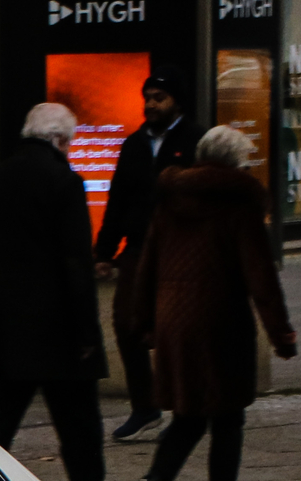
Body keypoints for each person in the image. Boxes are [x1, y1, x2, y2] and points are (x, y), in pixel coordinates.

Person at [126, 125, 297, 481]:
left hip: (173, 317)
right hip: (220, 321)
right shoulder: (239, 202)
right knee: (227, 417)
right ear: (235, 163)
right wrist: (281, 334)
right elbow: (260, 276)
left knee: (188, 414)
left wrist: (143, 321)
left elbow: (147, 263)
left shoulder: (170, 199)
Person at [0, 104, 112, 481]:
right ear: (62, 141)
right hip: (58, 325)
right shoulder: (65, 182)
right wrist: (87, 332)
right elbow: (76, 262)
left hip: (4, 320)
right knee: (78, 420)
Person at [92, 74, 196, 440]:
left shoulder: (193, 140)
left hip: (180, 249)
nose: (151, 104)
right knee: (126, 323)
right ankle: (146, 405)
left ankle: (189, 407)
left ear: (177, 102)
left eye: (160, 97)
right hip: (137, 248)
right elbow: (118, 200)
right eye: (147, 97)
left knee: (178, 328)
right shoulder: (134, 144)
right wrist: (104, 251)